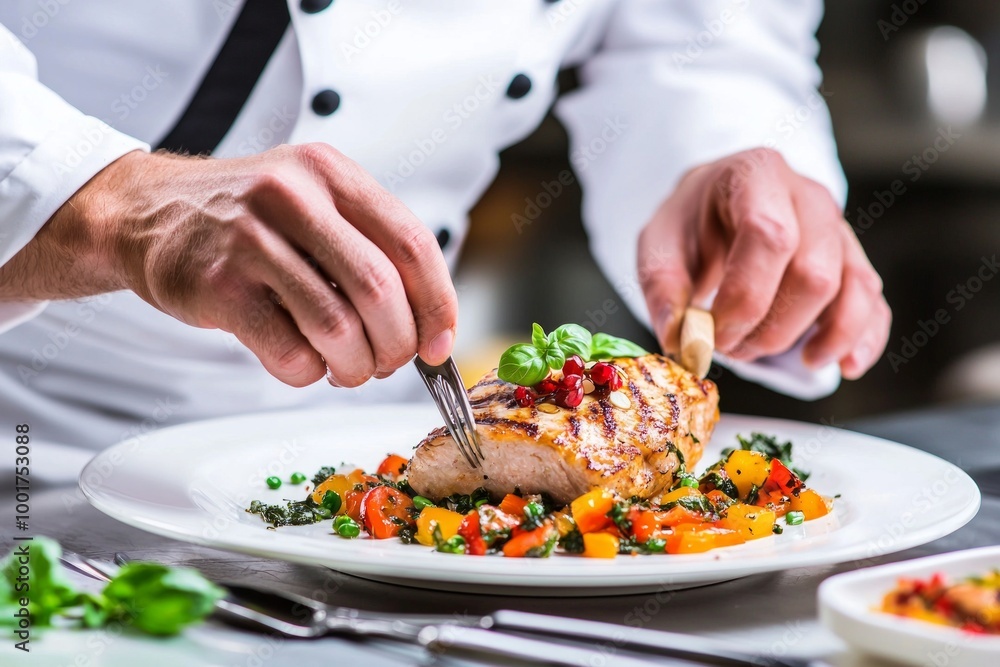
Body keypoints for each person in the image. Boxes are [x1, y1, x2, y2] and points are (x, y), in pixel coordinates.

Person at [0, 1, 890, 455]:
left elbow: (699, 38)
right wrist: (95, 198)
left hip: (366, 458)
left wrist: (715, 154)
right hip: (27, 439)